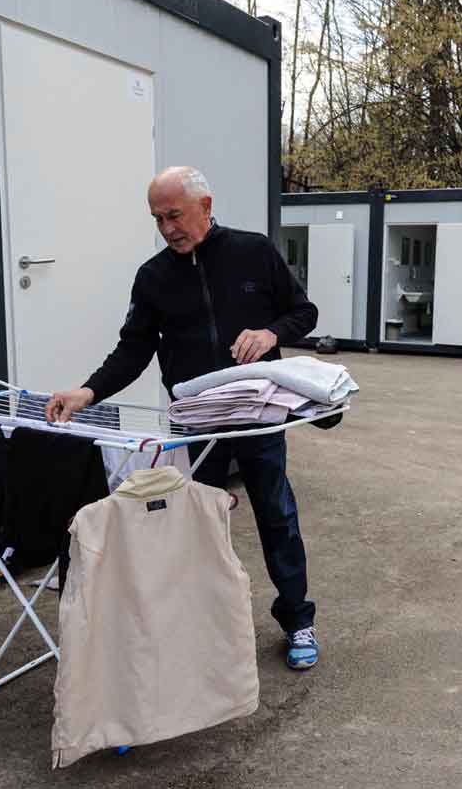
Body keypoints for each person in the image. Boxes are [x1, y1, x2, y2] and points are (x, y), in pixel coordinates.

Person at [44, 166, 324, 669]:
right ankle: (207, 626)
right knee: (198, 524)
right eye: (158, 218)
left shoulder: (253, 251)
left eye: (175, 214)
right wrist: (87, 392)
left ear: (206, 206)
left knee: (276, 513)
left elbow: (305, 312)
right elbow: (132, 351)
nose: (168, 227)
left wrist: (270, 334)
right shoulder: (153, 278)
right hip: (195, 420)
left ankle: (297, 620)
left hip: (257, 410)